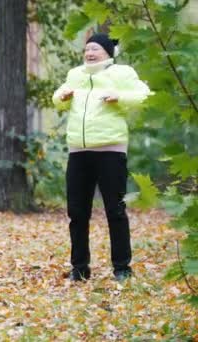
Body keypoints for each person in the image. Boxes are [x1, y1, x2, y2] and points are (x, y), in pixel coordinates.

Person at [52, 33, 151, 282]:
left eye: (95, 48)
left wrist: (120, 97)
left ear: (108, 52)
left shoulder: (122, 74)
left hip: (110, 150)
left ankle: (122, 268)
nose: (90, 53)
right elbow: (57, 98)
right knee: (77, 212)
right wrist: (61, 99)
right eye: (87, 49)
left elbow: (145, 96)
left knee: (115, 211)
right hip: (79, 152)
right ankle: (80, 269)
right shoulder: (76, 75)